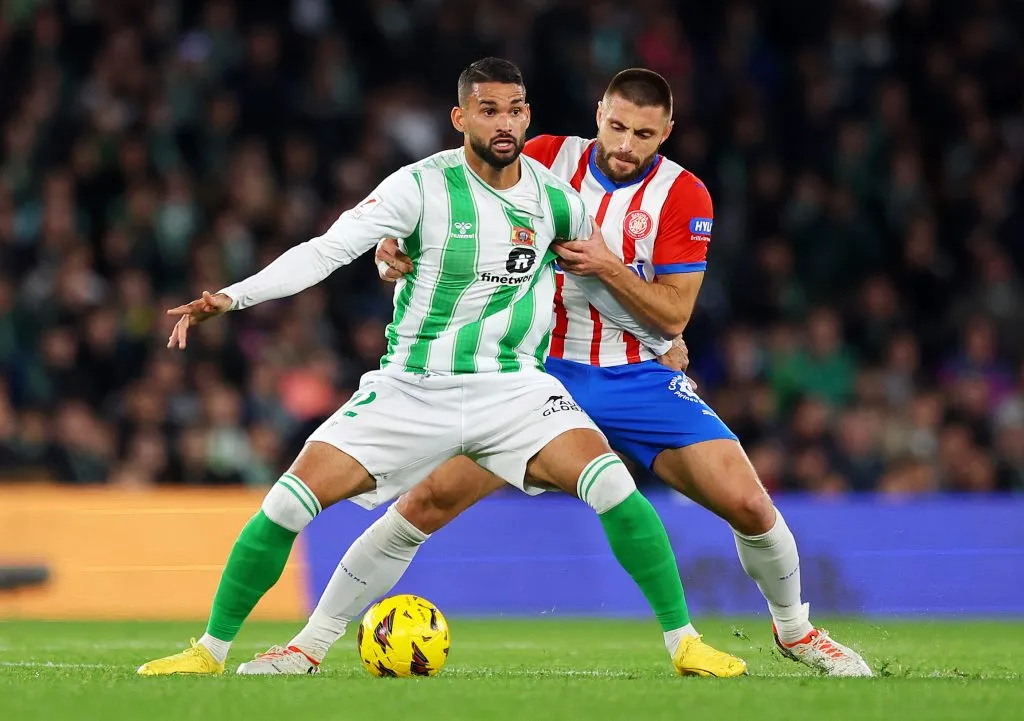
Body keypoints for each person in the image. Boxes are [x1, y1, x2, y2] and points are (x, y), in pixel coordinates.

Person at [245, 68, 871, 677]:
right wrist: (396, 245)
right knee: (424, 504)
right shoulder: (543, 157)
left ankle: (796, 631)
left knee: (749, 504)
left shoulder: (685, 196)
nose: (625, 145)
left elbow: (675, 315)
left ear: (667, 132)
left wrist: (608, 267)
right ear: (599, 114)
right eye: (616, 127)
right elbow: (446, 200)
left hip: (634, 374)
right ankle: (309, 645)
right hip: (532, 374)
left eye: (643, 135)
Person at [136, 58, 745, 678]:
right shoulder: (418, 187)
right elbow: (326, 251)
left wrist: (657, 339)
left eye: (515, 110)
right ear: (460, 118)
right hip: (413, 386)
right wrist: (232, 297)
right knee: (288, 505)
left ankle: (684, 643)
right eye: (489, 110)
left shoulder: (556, 200)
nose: (504, 123)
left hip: (514, 389)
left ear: (528, 117)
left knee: (613, 487)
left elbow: (594, 286)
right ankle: (211, 651)